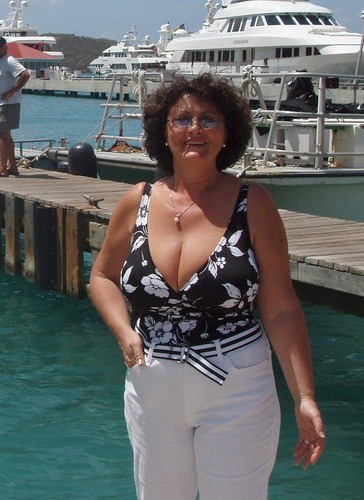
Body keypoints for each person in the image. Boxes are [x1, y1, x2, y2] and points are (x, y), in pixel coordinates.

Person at [90, 73, 325, 499]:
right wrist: (124, 332)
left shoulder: (254, 204)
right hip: (151, 382)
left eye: (208, 119)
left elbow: (280, 307)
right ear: (164, 132)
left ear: (227, 133)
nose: (194, 129)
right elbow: (103, 276)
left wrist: (304, 397)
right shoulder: (137, 200)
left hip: (236, 382)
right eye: (182, 119)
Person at [0, 36, 30, 177]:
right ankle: (13, 167)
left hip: (7, 104)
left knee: (2, 134)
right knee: (6, 135)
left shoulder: (10, 60)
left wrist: (12, 91)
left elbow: (25, 75)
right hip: (0, 103)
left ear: (5, 47)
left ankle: (2, 168)